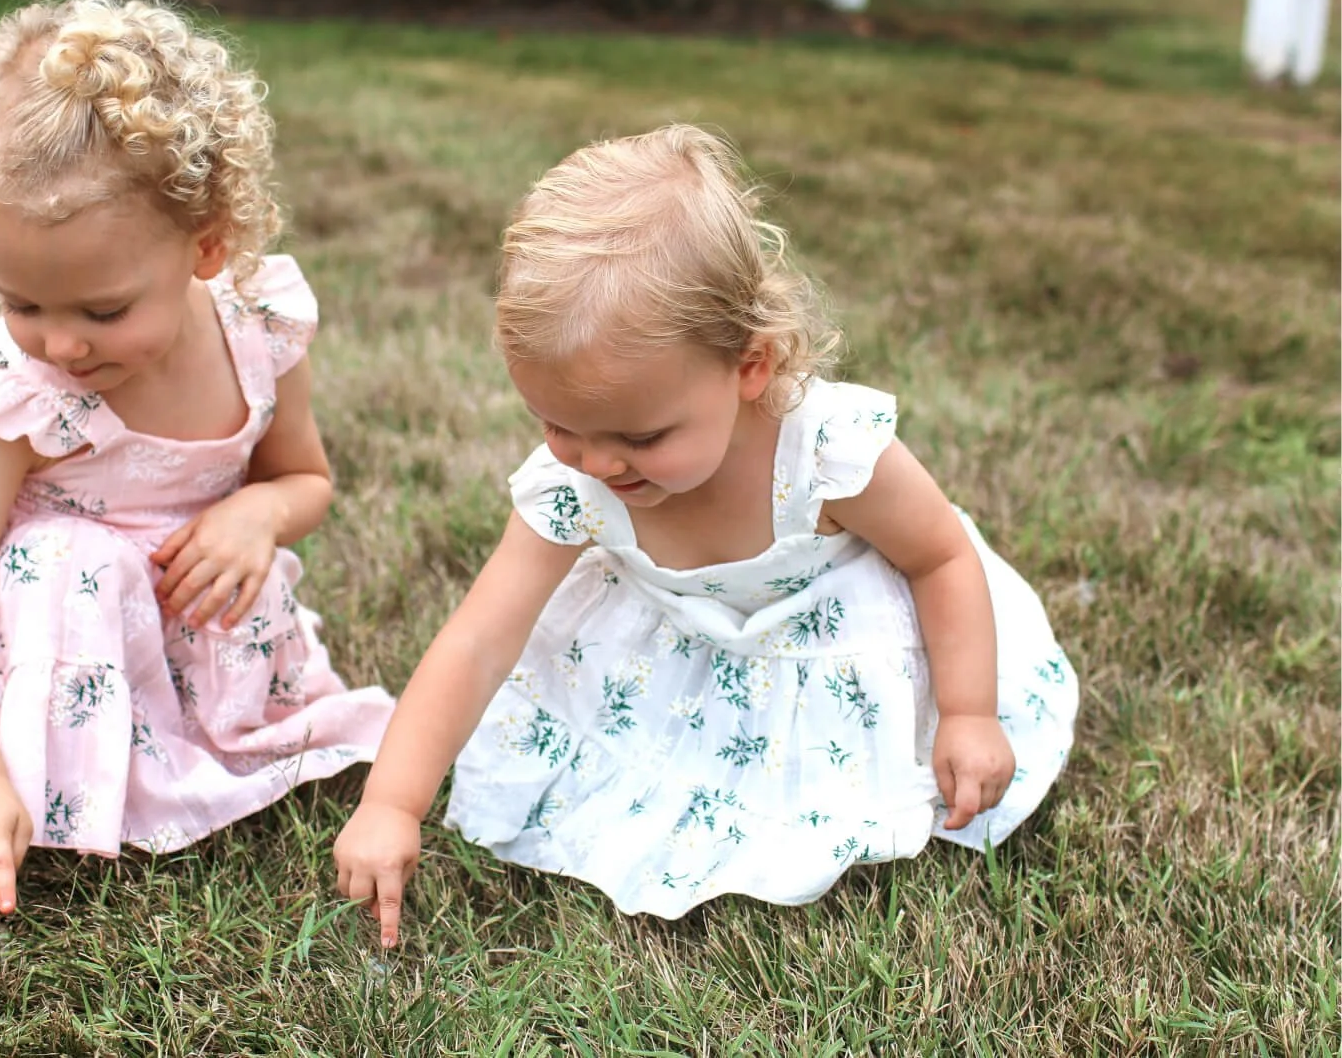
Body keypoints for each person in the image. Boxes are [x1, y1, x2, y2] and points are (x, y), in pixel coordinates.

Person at [333, 124, 1077, 944]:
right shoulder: (572, 483)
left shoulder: (825, 451)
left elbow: (939, 557)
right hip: (679, 650)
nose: (597, 463)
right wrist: (391, 802)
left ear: (749, 366)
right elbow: (478, 640)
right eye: (557, 425)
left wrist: (967, 712)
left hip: (830, 647)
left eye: (641, 437)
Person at [0, 0, 394, 914]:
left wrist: (257, 512)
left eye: (103, 310)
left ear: (206, 247)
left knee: (147, 575)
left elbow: (305, 479)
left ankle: (178, 745)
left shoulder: (259, 331)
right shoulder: (19, 398)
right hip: (45, 638)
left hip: (182, 630)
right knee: (69, 559)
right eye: (20, 303)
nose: (61, 344)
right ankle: (20, 781)